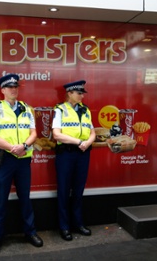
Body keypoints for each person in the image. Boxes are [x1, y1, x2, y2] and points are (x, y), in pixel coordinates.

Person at [0, 74, 43, 254]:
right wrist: (13, 148)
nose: (13, 89)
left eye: (16, 87)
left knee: (25, 197)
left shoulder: (27, 108)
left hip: (23, 158)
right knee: (0, 199)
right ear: (2, 90)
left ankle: (30, 232)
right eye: (9, 87)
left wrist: (24, 146)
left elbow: (33, 133)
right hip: (6, 159)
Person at [52, 80, 96, 241]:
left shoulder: (86, 110)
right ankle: (64, 227)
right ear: (69, 93)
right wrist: (78, 142)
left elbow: (92, 132)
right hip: (67, 154)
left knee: (78, 190)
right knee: (64, 191)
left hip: (83, 154)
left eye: (82, 93)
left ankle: (78, 223)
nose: (82, 95)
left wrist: (88, 143)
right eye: (79, 93)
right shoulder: (60, 110)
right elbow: (57, 134)